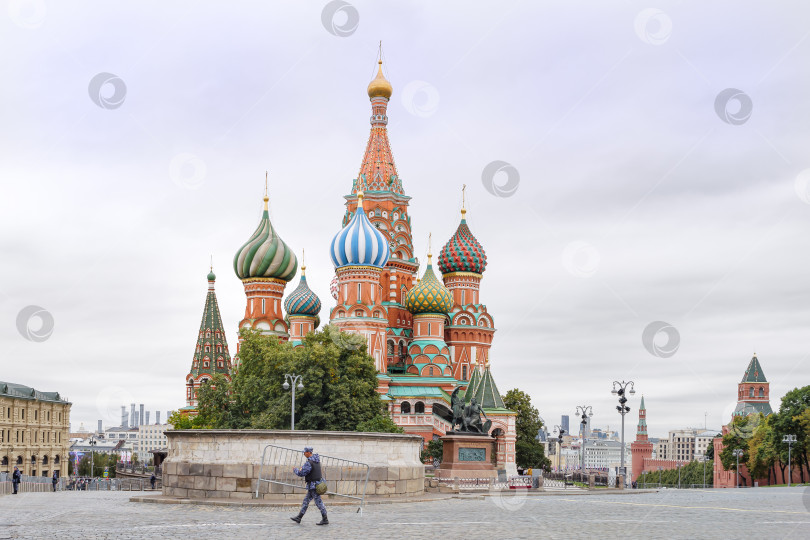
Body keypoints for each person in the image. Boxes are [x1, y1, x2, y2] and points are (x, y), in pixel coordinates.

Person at [290, 446, 327, 526]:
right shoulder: (316, 461)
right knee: (306, 501)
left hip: (313, 486)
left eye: (305, 452)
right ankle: (299, 517)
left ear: (308, 452)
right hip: (314, 485)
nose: (304, 453)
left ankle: (325, 519)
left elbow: (301, 473)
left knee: (318, 502)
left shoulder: (309, 462)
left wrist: (295, 470)